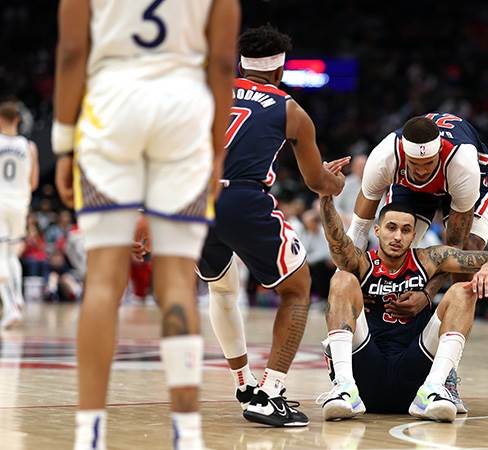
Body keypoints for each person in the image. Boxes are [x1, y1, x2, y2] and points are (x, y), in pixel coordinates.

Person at [52, 1, 240, 449]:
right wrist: (215, 151)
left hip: (110, 109)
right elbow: (220, 62)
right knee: (176, 281)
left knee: (101, 280)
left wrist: (63, 142)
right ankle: (187, 435)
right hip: (184, 113)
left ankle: (89, 434)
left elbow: (72, 52)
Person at [196, 25, 347, 427]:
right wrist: (336, 181)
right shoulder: (290, 109)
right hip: (242, 199)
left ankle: (244, 381)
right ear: (280, 72)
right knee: (298, 289)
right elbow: (317, 182)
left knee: (221, 287)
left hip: (193, 197)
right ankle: (271, 393)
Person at [316, 192, 488, 422]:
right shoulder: (362, 262)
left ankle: (434, 388)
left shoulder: (430, 259)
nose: (398, 236)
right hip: (366, 370)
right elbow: (337, 243)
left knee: (463, 291)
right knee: (342, 279)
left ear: (414, 235)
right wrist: (326, 199)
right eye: (391, 228)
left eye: (406, 230)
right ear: (377, 230)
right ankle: (344, 387)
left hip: (414, 372)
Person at [347, 112, 488, 410]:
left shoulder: (462, 163)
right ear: (403, 153)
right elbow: (360, 227)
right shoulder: (384, 156)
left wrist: (428, 294)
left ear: (438, 152)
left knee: (465, 266)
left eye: (427, 165)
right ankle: (382, 341)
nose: (421, 171)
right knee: (394, 246)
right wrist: (354, 282)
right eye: (415, 165)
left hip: (463, 187)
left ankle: (447, 375)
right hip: (411, 193)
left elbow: (453, 251)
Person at [0, 100, 39, 328]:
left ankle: (10, 305)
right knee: (12, 255)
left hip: (0, 201)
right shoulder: (29, 146)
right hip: (20, 204)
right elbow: (33, 183)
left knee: (0, 256)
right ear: (18, 120)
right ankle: (17, 298)